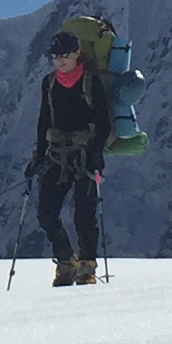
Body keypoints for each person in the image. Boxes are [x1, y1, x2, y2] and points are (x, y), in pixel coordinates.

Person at [24, 27, 114, 286]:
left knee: (84, 215)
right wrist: (37, 156)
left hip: (85, 155)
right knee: (46, 212)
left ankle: (86, 265)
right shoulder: (49, 83)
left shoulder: (91, 81)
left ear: (77, 53)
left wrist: (95, 155)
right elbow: (44, 121)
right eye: (54, 56)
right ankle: (67, 260)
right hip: (57, 155)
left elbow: (103, 123)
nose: (59, 60)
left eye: (63, 54)